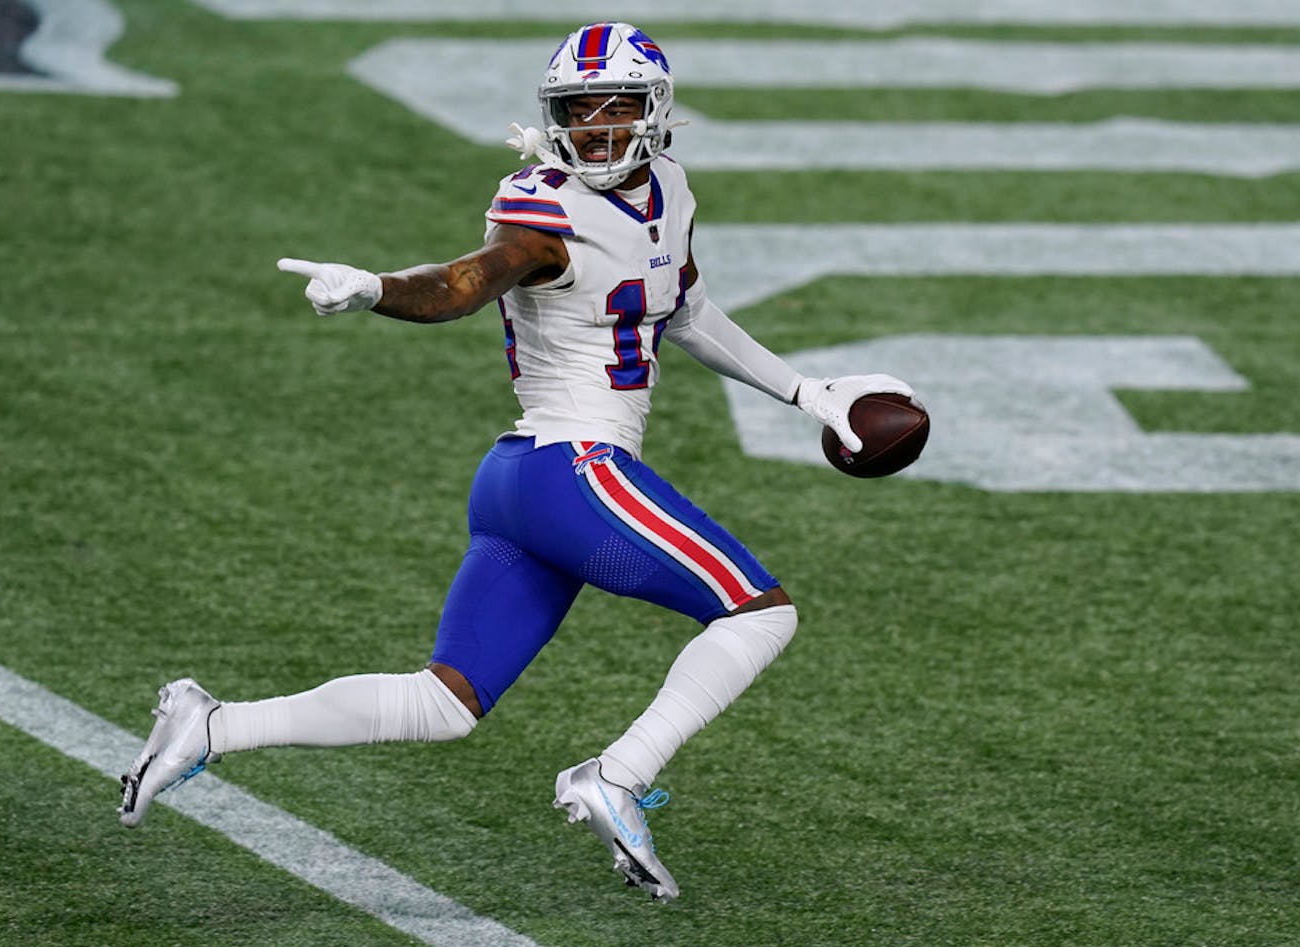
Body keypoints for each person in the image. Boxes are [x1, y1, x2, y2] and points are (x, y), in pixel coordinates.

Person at [118, 20, 914, 902]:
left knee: (443, 703)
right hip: (571, 468)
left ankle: (213, 726)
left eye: (614, 110)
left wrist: (808, 392)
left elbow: (681, 310)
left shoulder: (668, 190)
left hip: (522, 483)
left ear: (655, 115)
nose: (595, 129)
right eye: (578, 111)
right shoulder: (542, 212)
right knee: (759, 614)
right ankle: (616, 773)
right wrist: (379, 289)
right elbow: (462, 282)